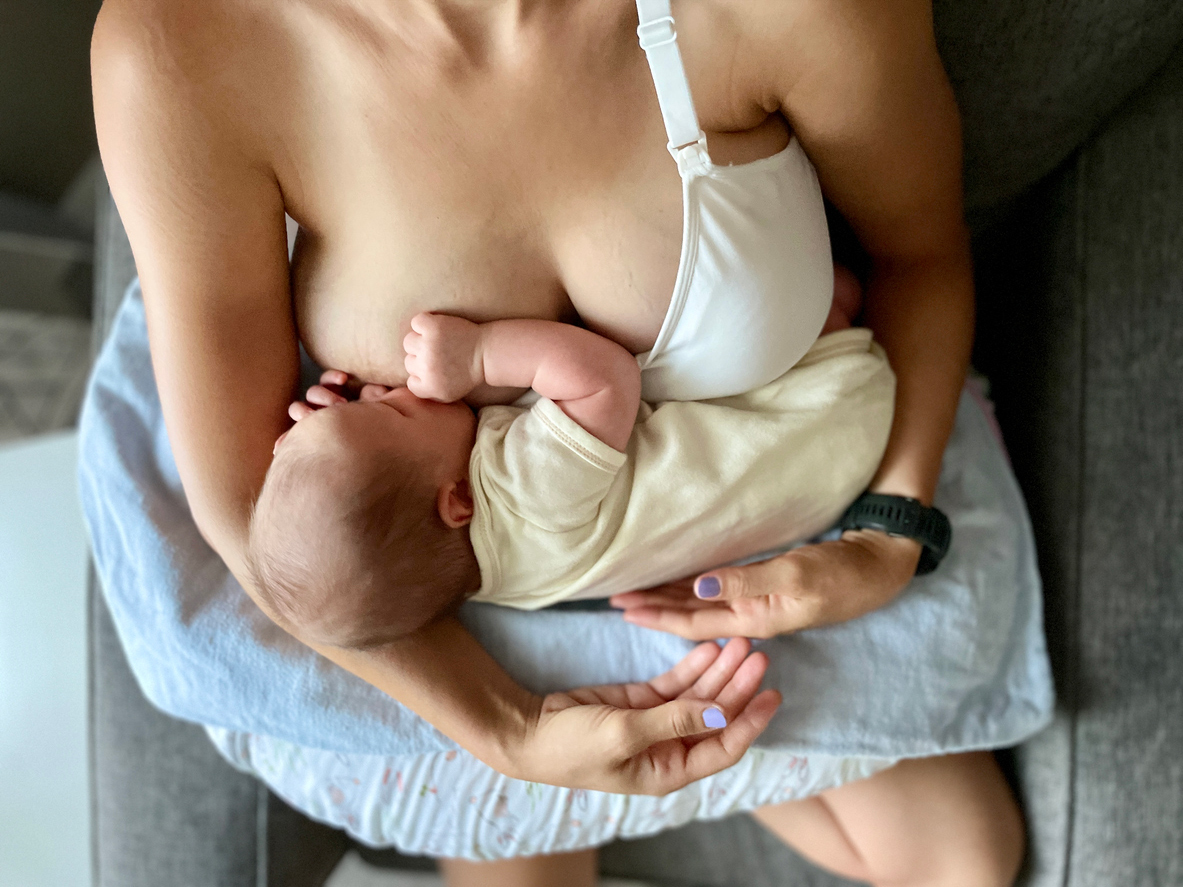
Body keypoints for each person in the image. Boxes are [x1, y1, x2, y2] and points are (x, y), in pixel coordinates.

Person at [91, 0, 1024, 882]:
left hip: (755, 547)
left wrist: (891, 531)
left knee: (964, 857)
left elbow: (921, 258)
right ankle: (679, 768)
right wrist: (510, 730)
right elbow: (251, 512)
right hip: (460, 625)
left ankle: (707, 775)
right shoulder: (180, 49)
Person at [248, 307, 892, 645]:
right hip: (820, 402)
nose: (383, 389)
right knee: (806, 305)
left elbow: (371, 501)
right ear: (457, 502)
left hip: (824, 484)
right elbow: (606, 380)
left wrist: (341, 436)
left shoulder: (474, 574)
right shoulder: (523, 494)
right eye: (389, 408)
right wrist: (479, 351)